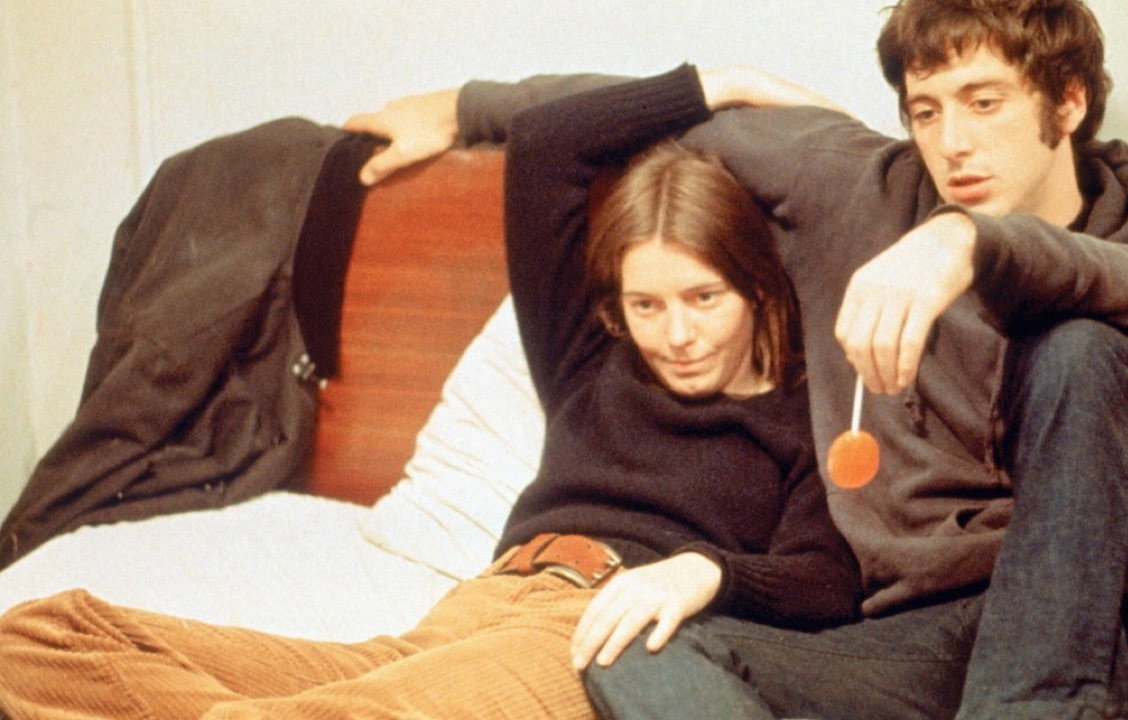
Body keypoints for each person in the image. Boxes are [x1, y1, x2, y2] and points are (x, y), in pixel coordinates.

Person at [342, 1, 1128, 718]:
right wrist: (462, 109)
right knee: (638, 654)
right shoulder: (856, 189)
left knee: (1080, 345)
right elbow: (601, 127)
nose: (953, 142)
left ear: (1068, 101)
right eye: (926, 111)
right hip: (933, 630)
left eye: (985, 103)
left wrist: (967, 244)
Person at [0, 70, 860, 719]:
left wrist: (707, 571)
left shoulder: (809, 411)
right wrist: (718, 83)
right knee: (36, 639)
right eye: (647, 305)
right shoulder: (587, 359)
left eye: (704, 299)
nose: (675, 334)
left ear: (758, 289)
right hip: (473, 606)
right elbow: (549, 146)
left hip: (592, 636)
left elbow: (826, 579)